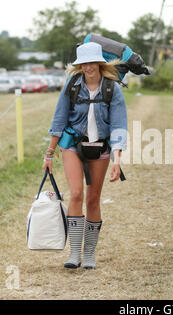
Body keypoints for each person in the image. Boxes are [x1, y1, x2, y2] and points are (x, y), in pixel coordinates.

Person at [43, 42, 128, 269]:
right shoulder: (72, 86)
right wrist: (49, 153)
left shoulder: (112, 89)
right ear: (79, 66)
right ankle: (74, 254)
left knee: (92, 199)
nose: (88, 67)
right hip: (73, 145)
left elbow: (119, 126)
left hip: (100, 148)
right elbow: (59, 119)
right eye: (84, 63)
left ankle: (89, 253)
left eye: (92, 62)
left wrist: (117, 160)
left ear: (99, 63)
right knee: (77, 194)